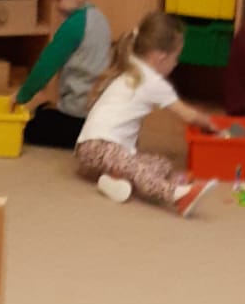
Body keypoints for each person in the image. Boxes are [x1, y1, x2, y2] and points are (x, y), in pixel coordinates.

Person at [74, 12, 218, 215]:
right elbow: (188, 115)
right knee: (138, 169)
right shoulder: (152, 81)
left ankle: (113, 180)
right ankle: (176, 195)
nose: (176, 64)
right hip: (99, 147)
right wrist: (210, 124)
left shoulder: (132, 63)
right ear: (161, 57)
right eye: (175, 58)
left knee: (163, 164)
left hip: (95, 153)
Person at [12, 0, 114, 150]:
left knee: (31, 127)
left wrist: (21, 96)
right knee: (43, 110)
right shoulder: (100, 19)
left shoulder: (73, 26)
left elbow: (46, 65)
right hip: (98, 112)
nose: (54, 5)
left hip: (78, 116)